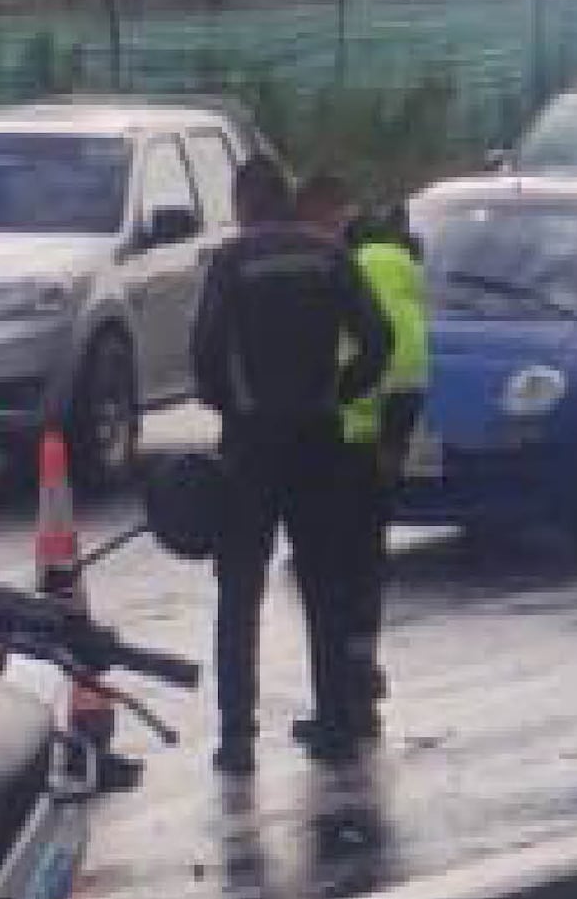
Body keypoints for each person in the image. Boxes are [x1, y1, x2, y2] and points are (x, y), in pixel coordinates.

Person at [186, 155, 395, 767]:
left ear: (247, 203)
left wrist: (230, 406)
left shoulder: (234, 260)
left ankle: (237, 739)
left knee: (239, 591)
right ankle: (334, 724)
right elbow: (377, 338)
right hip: (320, 443)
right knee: (325, 586)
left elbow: (204, 355)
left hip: (251, 449)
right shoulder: (329, 256)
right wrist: (339, 391)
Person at [334, 186, 434, 708]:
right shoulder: (409, 269)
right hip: (404, 402)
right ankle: (364, 658)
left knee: (340, 556)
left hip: (352, 424)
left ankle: (343, 675)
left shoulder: (349, 263)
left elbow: (352, 345)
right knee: (372, 550)